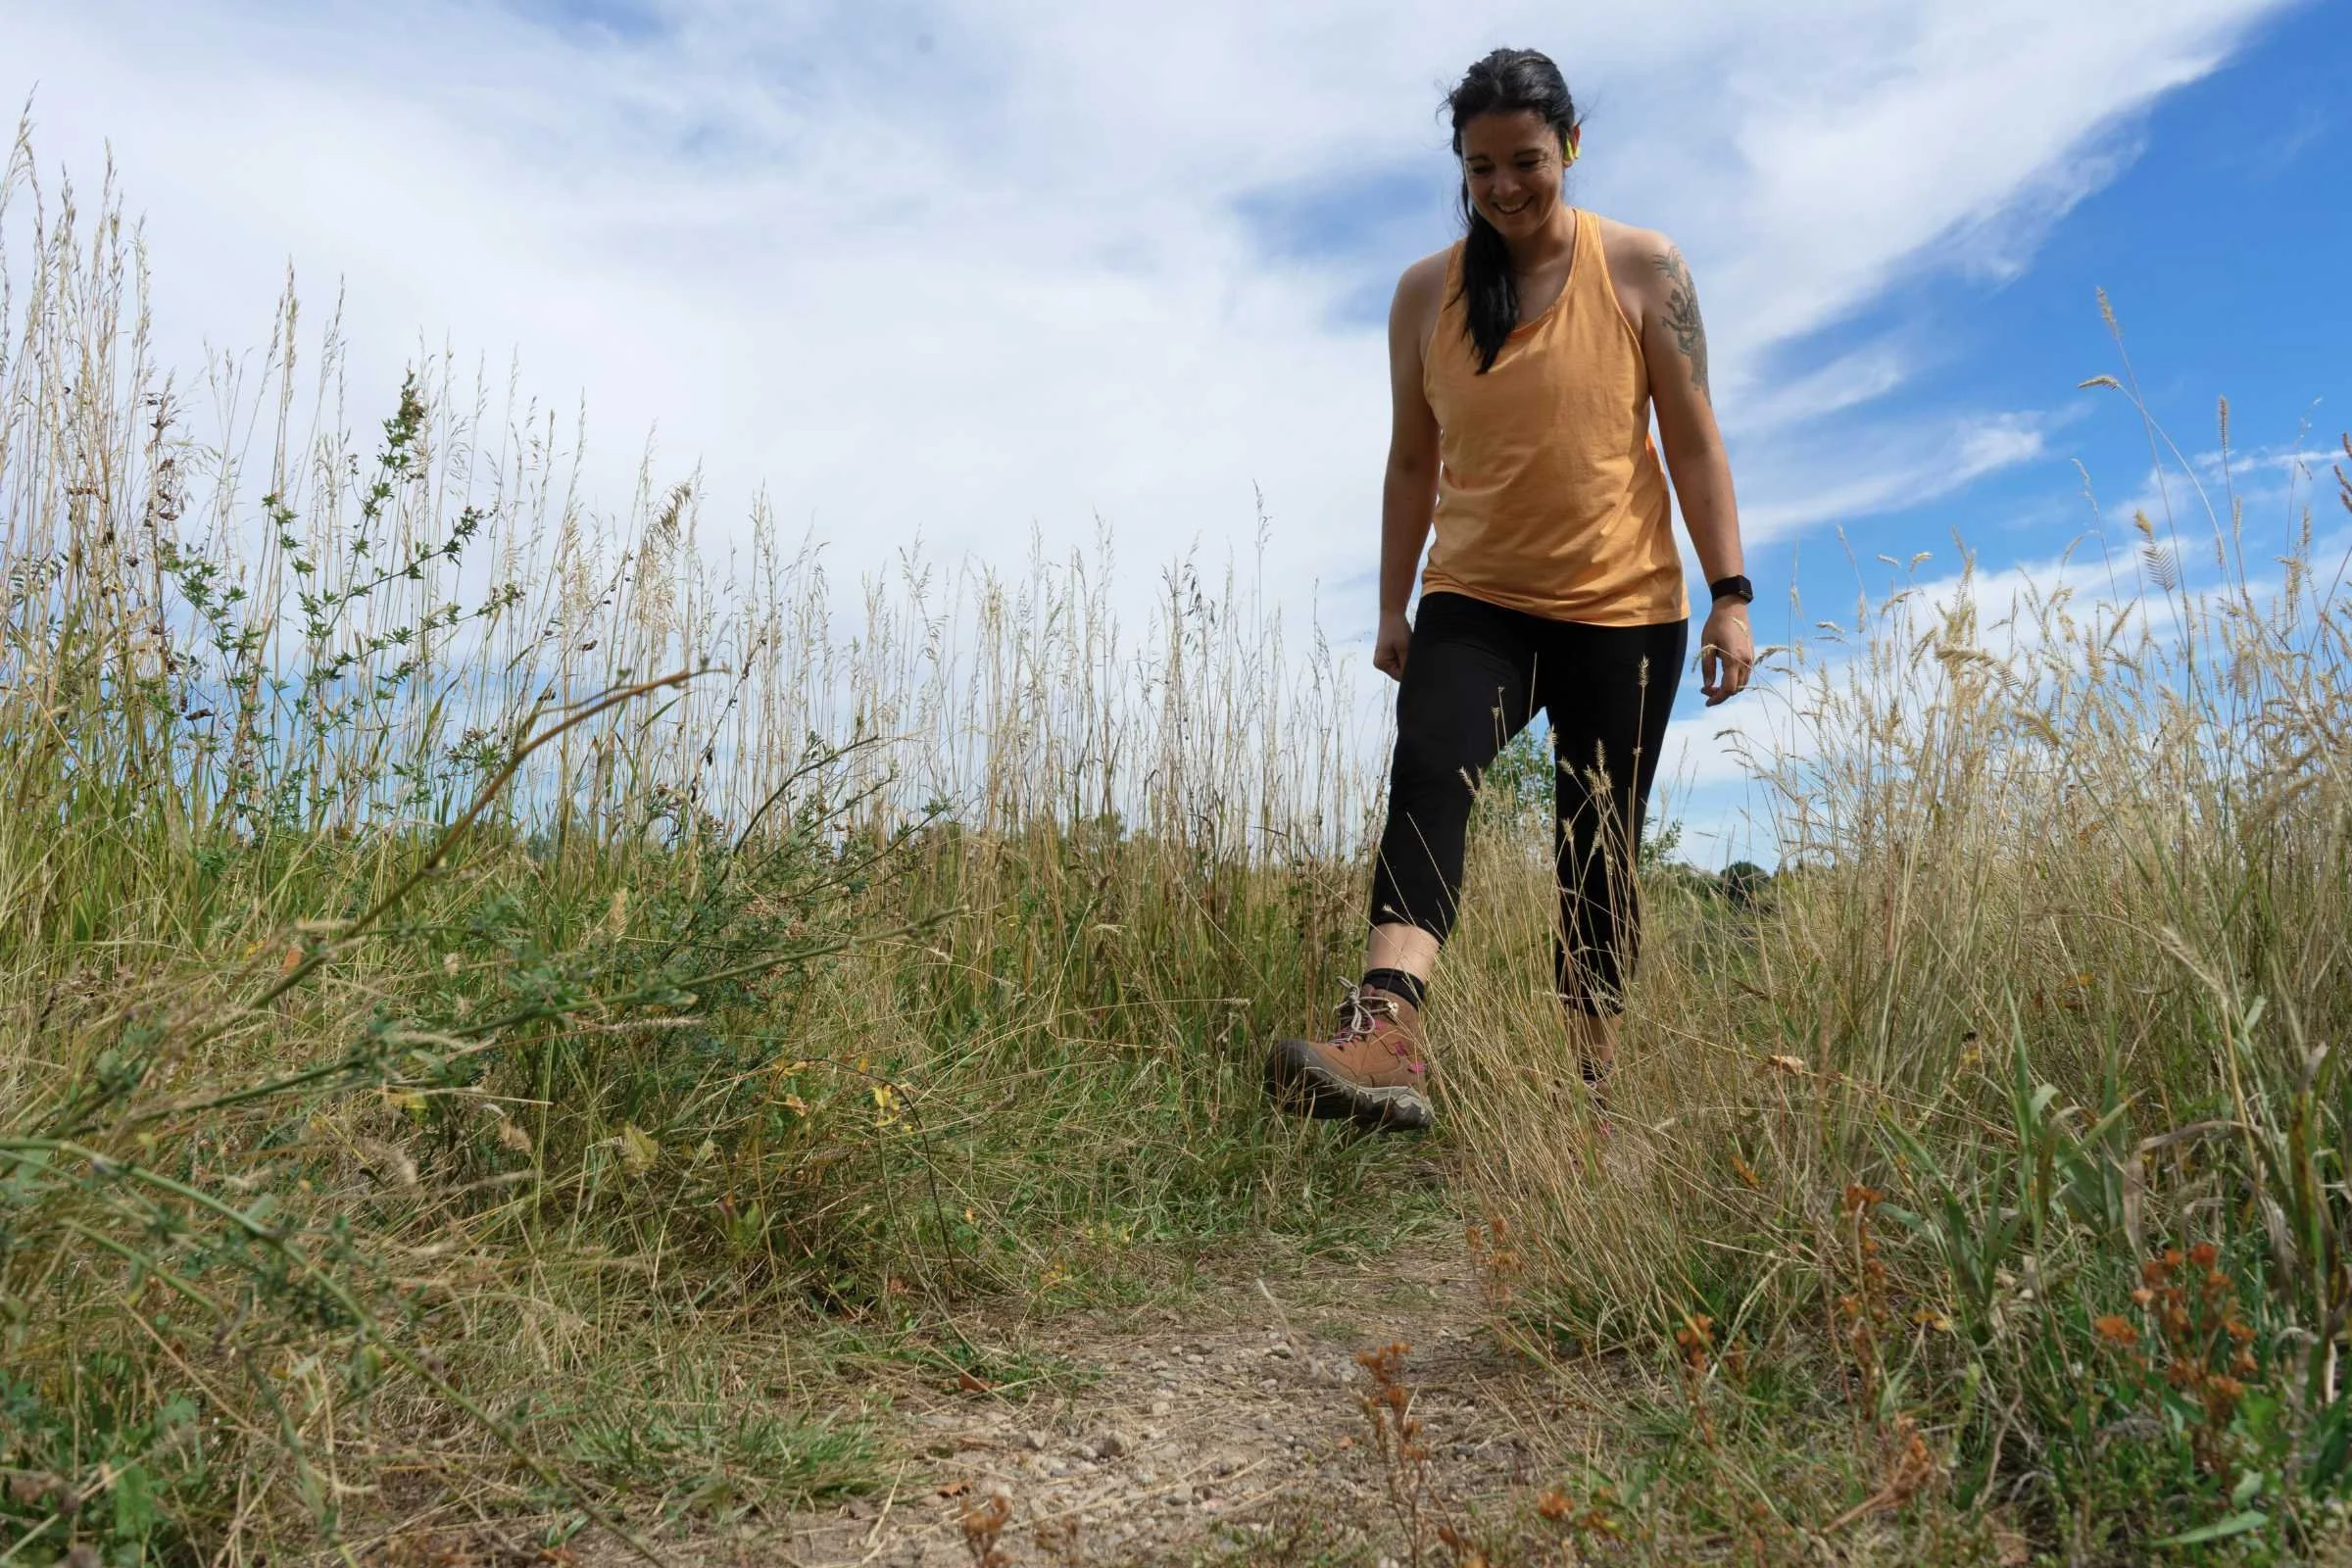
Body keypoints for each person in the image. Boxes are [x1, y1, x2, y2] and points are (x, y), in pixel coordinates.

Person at [1264, 47, 1754, 1133]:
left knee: (1598, 842)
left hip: (1622, 608)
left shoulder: (1642, 268)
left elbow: (1693, 440)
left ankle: (1588, 1087)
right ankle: (1388, 1029)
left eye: (1525, 160)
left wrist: (1731, 591)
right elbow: (1410, 461)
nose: (1504, 187)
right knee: (1432, 769)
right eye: (1480, 167)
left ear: (1569, 148)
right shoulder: (1421, 296)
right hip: (1475, 596)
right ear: (1462, 168)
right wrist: (1394, 606)